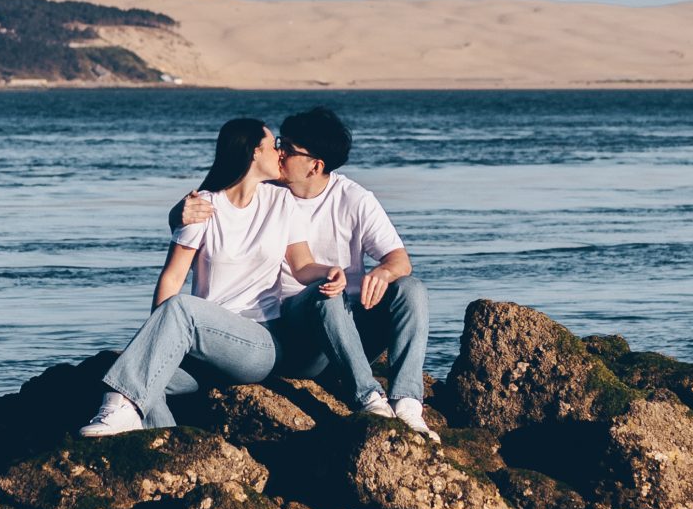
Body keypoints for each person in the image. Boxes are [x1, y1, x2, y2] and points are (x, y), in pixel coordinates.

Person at [181, 104, 438, 440]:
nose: (278, 153)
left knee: (412, 288)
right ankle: (369, 400)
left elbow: (400, 260)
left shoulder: (354, 199)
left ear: (316, 165)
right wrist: (179, 212)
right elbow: (215, 196)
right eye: (279, 144)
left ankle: (407, 403)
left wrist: (384, 273)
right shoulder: (267, 192)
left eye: (287, 148)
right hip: (296, 330)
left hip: (352, 331)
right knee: (324, 294)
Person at [80, 118, 331, 435]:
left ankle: (117, 402)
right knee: (139, 375)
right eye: (273, 146)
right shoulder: (200, 208)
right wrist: (157, 340)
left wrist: (330, 274)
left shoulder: (282, 202)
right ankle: (164, 449)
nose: (280, 153)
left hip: (260, 343)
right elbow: (172, 278)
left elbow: (302, 266)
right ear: (253, 153)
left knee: (177, 316)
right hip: (205, 349)